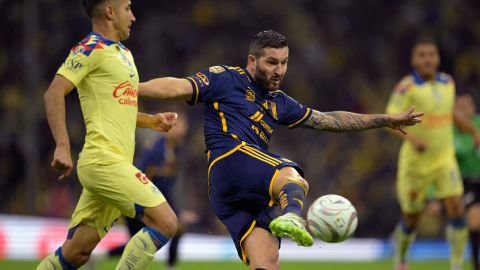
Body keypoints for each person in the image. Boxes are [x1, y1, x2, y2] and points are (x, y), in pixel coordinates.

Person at [139, 30, 422, 269]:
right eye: (272, 62)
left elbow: (329, 120)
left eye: (284, 63)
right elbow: (177, 86)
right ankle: (292, 214)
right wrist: (133, 89)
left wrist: (384, 120)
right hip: (230, 160)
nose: (279, 70)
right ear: (252, 61)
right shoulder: (226, 78)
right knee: (292, 174)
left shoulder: (280, 102)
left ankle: (287, 214)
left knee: (267, 262)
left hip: (236, 196)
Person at [36, 0, 179, 269]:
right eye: (127, 8)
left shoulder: (123, 53)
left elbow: (116, 109)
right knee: (166, 222)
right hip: (103, 161)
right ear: (110, 11)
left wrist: (152, 122)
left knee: (76, 253)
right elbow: (53, 92)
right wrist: (62, 146)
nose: (133, 16)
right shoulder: (90, 48)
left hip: (116, 163)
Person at [386, 37, 477, 270]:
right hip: (416, 164)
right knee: (412, 218)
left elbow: (451, 114)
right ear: (413, 60)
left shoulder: (448, 82)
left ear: (437, 58)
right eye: (422, 55)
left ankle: (456, 264)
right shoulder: (407, 86)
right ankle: (401, 258)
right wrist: (414, 139)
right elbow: (389, 119)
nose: (427, 59)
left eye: (431, 54)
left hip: (444, 160)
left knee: (456, 207)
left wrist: (472, 131)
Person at [98, 115, 193, 270]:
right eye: (178, 125)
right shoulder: (155, 151)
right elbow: (140, 177)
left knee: (161, 233)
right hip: (139, 199)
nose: (181, 129)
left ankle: (170, 265)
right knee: (141, 243)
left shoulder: (178, 150)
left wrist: (178, 209)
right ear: (167, 128)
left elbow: (168, 186)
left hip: (155, 199)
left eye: (183, 125)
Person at [454, 94, 480, 270]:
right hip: (469, 182)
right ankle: (474, 263)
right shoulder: (450, 131)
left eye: (467, 106)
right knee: (475, 222)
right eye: (459, 107)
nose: (464, 110)